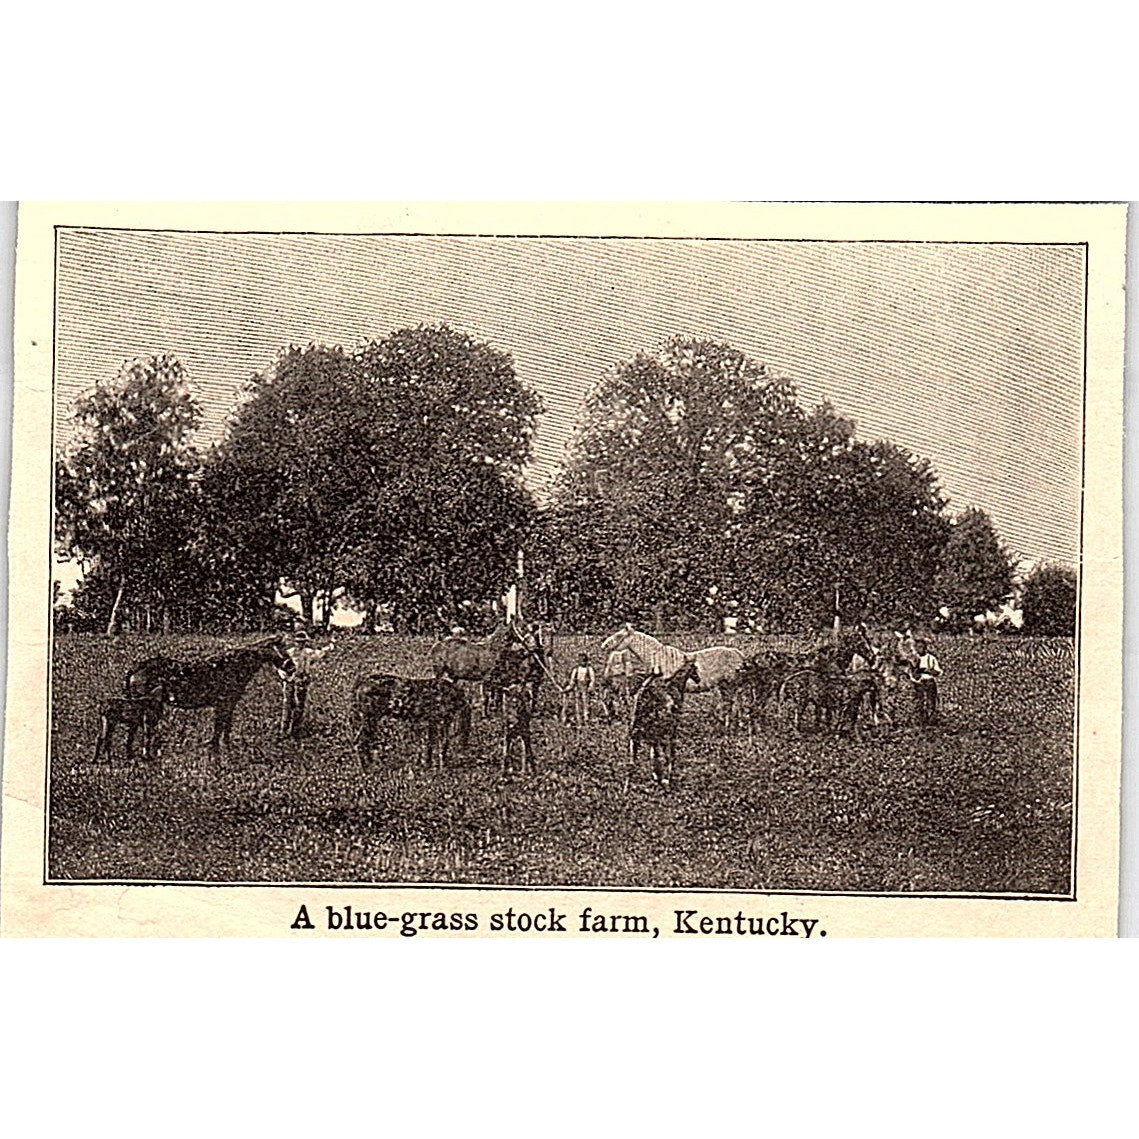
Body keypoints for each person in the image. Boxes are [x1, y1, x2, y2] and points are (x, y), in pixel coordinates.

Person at [278, 628, 335, 739]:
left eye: (302, 642)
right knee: (288, 705)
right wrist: (284, 675)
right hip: (290, 681)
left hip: (302, 681)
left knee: (300, 706)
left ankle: (295, 730)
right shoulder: (290, 653)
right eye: (298, 642)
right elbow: (280, 666)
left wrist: (332, 644)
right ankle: (284, 731)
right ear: (295, 642)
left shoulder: (308, 652)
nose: (300, 644)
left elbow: (322, 652)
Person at [912, 638, 942, 725]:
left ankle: (932, 720)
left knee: (931, 702)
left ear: (925, 648)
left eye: (921, 647)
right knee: (920, 702)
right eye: (917, 647)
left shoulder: (931, 658)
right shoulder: (914, 659)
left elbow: (938, 671)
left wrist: (927, 670)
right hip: (919, 683)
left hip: (929, 681)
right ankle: (922, 721)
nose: (919, 649)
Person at [567, 653, 596, 726]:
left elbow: (592, 679)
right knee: (577, 702)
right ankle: (577, 718)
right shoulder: (576, 669)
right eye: (581, 661)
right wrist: (570, 686)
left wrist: (590, 686)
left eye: (584, 661)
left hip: (585, 687)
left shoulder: (589, 669)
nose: (583, 663)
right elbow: (572, 679)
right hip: (577, 686)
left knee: (585, 702)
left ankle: (586, 718)